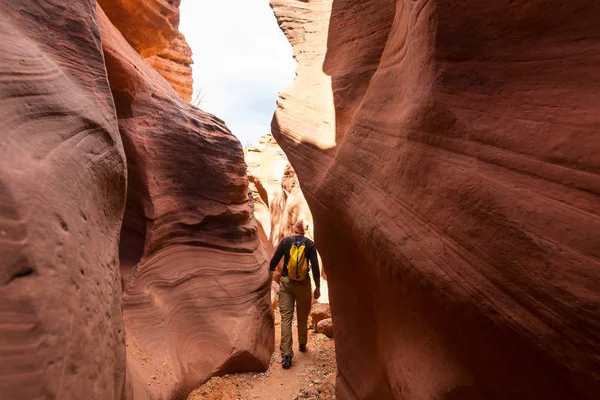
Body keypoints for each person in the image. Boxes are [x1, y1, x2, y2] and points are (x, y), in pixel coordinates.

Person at [270, 219, 321, 369]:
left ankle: (286, 355)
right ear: (304, 231)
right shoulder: (310, 244)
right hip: (304, 284)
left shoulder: (286, 242)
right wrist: (317, 287)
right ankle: (302, 343)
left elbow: (273, 262)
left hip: (286, 282)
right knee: (303, 314)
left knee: (286, 317)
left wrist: (268, 274)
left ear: (294, 229)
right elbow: (316, 268)